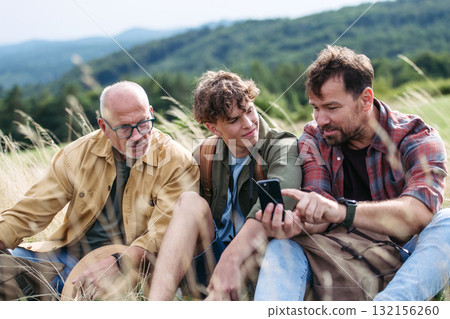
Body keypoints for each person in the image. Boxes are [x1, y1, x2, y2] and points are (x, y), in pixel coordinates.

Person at [255, 45, 450, 301]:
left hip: (405, 259)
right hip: (339, 257)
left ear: (366, 99)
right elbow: (319, 206)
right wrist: (295, 224)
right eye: (315, 107)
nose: (320, 119)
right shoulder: (315, 136)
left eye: (332, 108)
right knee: (282, 246)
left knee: (447, 221)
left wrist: (342, 211)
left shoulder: (416, 137)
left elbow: (419, 214)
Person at [0, 81, 199, 299]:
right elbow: (31, 210)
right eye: (124, 128)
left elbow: (161, 236)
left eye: (143, 123)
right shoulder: (76, 154)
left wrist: (117, 261)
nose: (137, 136)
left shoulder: (178, 162)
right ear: (104, 127)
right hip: (62, 257)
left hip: (126, 268)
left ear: (150, 113)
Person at [148, 70, 302, 300]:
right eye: (234, 120)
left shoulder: (282, 145)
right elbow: (179, 217)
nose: (249, 123)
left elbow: (283, 198)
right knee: (189, 202)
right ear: (213, 128)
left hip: (258, 260)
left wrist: (231, 259)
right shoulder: (203, 154)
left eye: (249, 110)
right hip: (210, 258)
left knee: (267, 226)